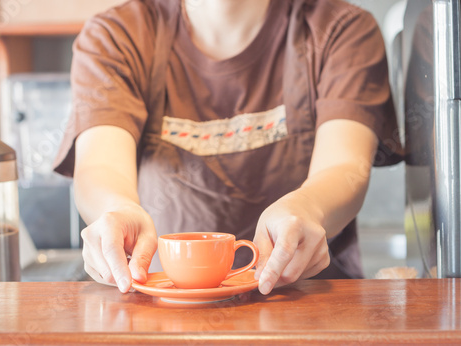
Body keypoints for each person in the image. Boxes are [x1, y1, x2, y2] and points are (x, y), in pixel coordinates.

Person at [54, 0, 402, 295]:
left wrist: (309, 207)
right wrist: (114, 210)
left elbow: (345, 168)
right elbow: (100, 166)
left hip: (307, 304)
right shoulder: (118, 35)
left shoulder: (341, 30)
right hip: (162, 312)